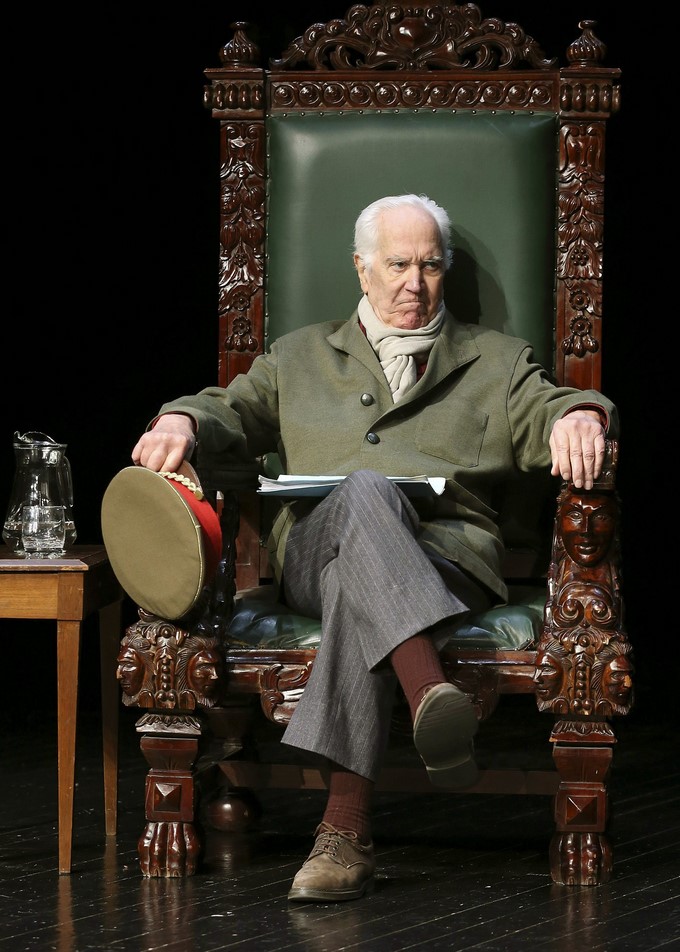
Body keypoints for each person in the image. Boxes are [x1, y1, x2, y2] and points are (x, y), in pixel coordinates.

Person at [130, 193, 618, 902]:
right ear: (361, 269)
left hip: (449, 557)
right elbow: (228, 407)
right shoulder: (297, 355)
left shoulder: (497, 359)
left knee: (356, 584)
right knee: (363, 490)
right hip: (313, 545)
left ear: (445, 270)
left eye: (428, 265)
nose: (412, 283)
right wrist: (181, 417)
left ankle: (344, 835)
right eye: (395, 264)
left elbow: (548, 405)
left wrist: (580, 412)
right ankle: (430, 694)